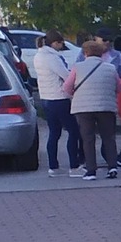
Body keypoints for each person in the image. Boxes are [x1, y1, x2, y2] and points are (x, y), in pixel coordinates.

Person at [67, 36, 121, 180]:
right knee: (109, 138)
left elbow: (66, 87)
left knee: (88, 139)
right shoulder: (111, 68)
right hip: (106, 107)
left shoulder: (77, 68)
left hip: (83, 108)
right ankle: (112, 167)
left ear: (85, 53)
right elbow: (120, 88)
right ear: (101, 53)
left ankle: (91, 170)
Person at [30, 31, 83, 176]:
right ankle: (74, 166)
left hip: (46, 98)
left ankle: (53, 166)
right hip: (59, 98)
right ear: (55, 43)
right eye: (61, 44)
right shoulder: (52, 58)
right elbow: (66, 76)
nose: (61, 47)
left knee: (54, 133)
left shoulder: (38, 56)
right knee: (73, 131)